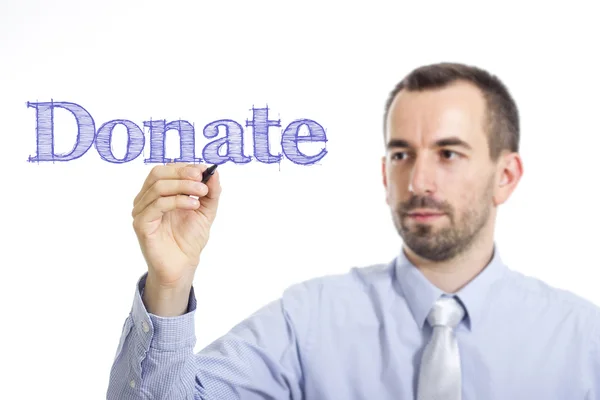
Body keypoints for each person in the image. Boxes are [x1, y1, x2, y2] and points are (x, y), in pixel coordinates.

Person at [107, 62, 600, 400]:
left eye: (449, 154)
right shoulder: (306, 323)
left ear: (506, 176)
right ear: (385, 175)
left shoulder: (584, 341)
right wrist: (168, 286)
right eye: (402, 154)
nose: (419, 181)